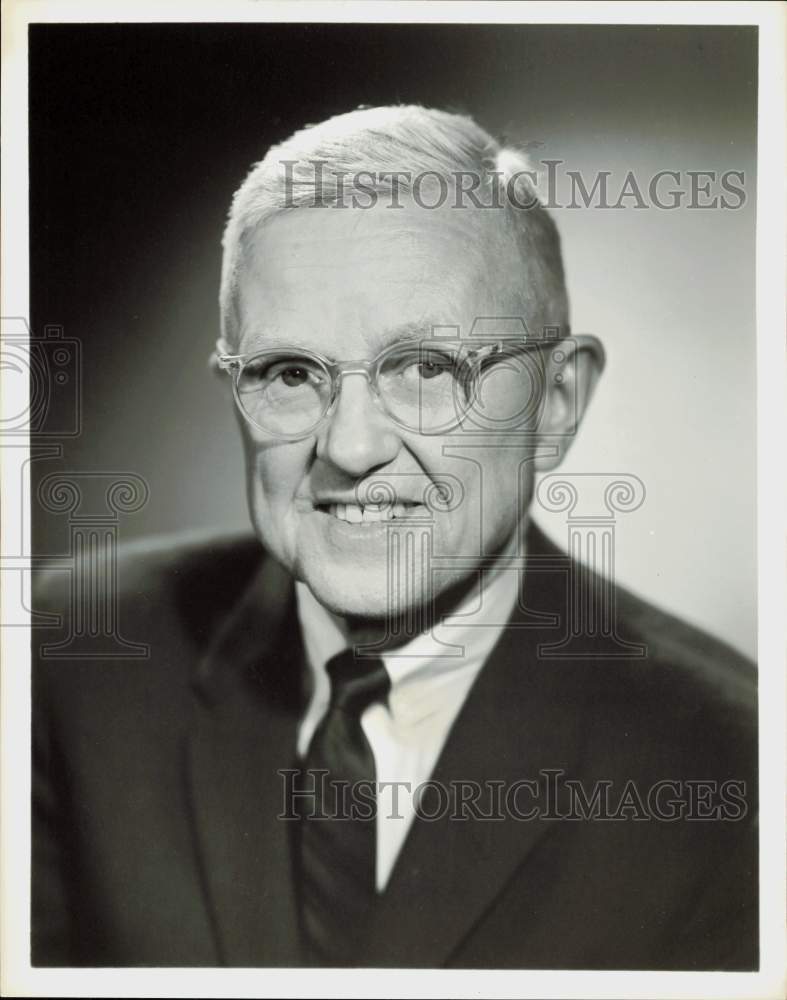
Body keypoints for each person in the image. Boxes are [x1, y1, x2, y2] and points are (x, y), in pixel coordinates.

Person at [32, 105, 757, 969]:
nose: (349, 447)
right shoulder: (70, 660)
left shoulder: (737, 771)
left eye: (424, 370)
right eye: (289, 373)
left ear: (555, 405)